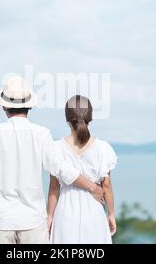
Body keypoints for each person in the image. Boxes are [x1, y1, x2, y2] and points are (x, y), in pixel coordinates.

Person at [0, 76, 104, 244]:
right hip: (33, 220)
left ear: (3, 105)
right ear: (30, 105)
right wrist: (93, 187)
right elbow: (61, 169)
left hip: (1, 220)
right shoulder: (42, 134)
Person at [48, 95, 117, 244]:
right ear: (90, 118)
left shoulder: (55, 148)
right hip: (94, 210)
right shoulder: (104, 149)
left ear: (67, 120)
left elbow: (54, 187)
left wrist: (50, 216)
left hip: (65, 211)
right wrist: (111, 214)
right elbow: (106, 186)